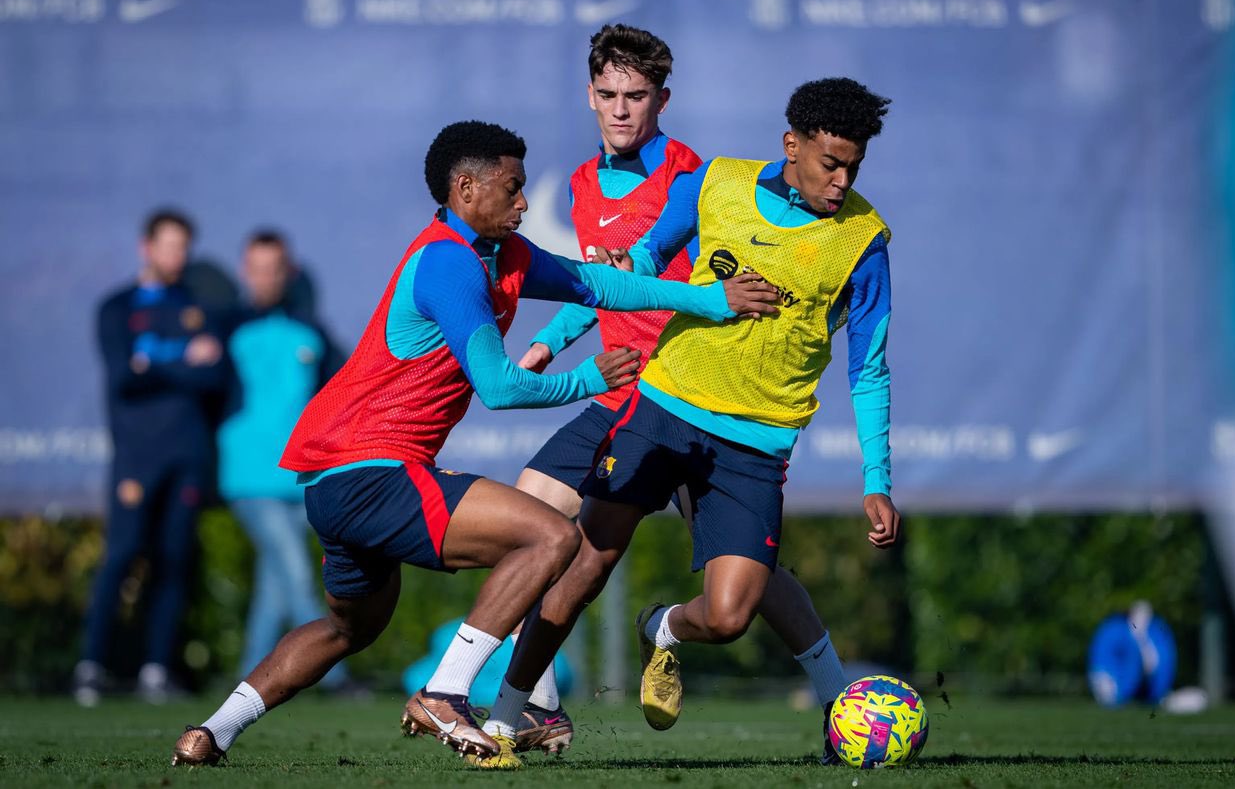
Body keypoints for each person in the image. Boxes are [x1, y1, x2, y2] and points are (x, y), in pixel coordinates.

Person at [170, 120, 777, 766]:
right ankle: (447, 690)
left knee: (350, 627)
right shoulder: (448, 263)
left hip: (332, 480)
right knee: (551, 536)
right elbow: (500, 385)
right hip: (373, 469)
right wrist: (586, 378)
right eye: (512, 189)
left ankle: (213, 729)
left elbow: (602, 284)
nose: (523, 204)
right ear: (465, 188)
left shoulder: (502, 254)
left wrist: (707, 301)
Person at [479, 77, 901, 768]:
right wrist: (616, 274)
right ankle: (504, 716)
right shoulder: (717, 183)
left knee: (733, 613)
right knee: (585, 559)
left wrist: (877, 479)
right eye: (831, 162)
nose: (842, 180)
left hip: (755, 445)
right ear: (792, 144)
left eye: (854, 165)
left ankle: (662, 626)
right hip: (663, 407)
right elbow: (647, 259)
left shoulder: (864, 239)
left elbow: (871, 368)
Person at [76, 209, 228, 707]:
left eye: (183, 247)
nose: (176, 256)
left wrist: (157, 364)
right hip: (136, 458)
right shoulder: (117, 308)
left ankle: (156, 669)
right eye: (168, 245)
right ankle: (91, 666)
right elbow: (124, 376)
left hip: (185, 453)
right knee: (121, 558)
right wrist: (185, 359)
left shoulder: (196, 307)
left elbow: (214, 378)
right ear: (147, 247)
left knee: (173, 561)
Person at [216, 230, 351, 687]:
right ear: (243, 271)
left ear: (287, 272)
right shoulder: (223, 330)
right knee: (295, 574)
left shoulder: (311, 332)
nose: (265, 278)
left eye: (274, 268)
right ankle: (336, 678)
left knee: (275, 588)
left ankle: (248, 677)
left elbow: (343, 390)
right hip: (251, 479)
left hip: (301, 477)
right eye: (256, 268)